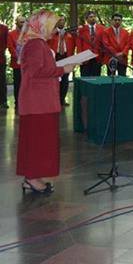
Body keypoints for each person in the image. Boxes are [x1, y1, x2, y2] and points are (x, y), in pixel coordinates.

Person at [16, 10, 78, 195]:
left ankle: (34, 176)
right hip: (37, 103)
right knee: (37, 142)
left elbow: (42, 68)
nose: (54, 30)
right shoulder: (35, 44)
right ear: (41, 26)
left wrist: (61, 66)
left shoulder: (37, 43)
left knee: (40, 142)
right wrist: (63, 69)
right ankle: (32, 178)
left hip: (41, 102)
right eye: (51, 26)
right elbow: (35, 72)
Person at [47, 16, 75, 106]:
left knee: (65, 79)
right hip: (55, 57)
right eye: (59, 20)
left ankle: (62, 99)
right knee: (55, 79)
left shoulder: (69, 34)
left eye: (63, 20)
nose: (61, 22)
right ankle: (54, 99)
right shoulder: (51, 33)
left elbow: (74, 45)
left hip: (66, 57)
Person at [77, 10, 105, 77]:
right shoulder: (81, 29)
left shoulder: (102, 28)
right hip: (85, 58)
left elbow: (104, 44)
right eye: (91, 17)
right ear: (86, 19)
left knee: (96, 78)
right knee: (85, 78)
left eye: (94, 16)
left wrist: (103, 58)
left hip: (97, 57)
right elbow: (79, 44)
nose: (93, 18)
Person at [8, 15, 25, 109]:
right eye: (21, 22)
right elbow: (11, 48)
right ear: (16, 23)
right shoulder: (11, 34)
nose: (23, 24)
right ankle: (18, 103)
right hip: (17, 64)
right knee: (18, 84)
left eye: (24, 22)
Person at [0, 20, 7, 108]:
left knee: (2, 80)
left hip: (1, 58)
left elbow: (6, 43)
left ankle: (3, 101)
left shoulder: (4, 28)